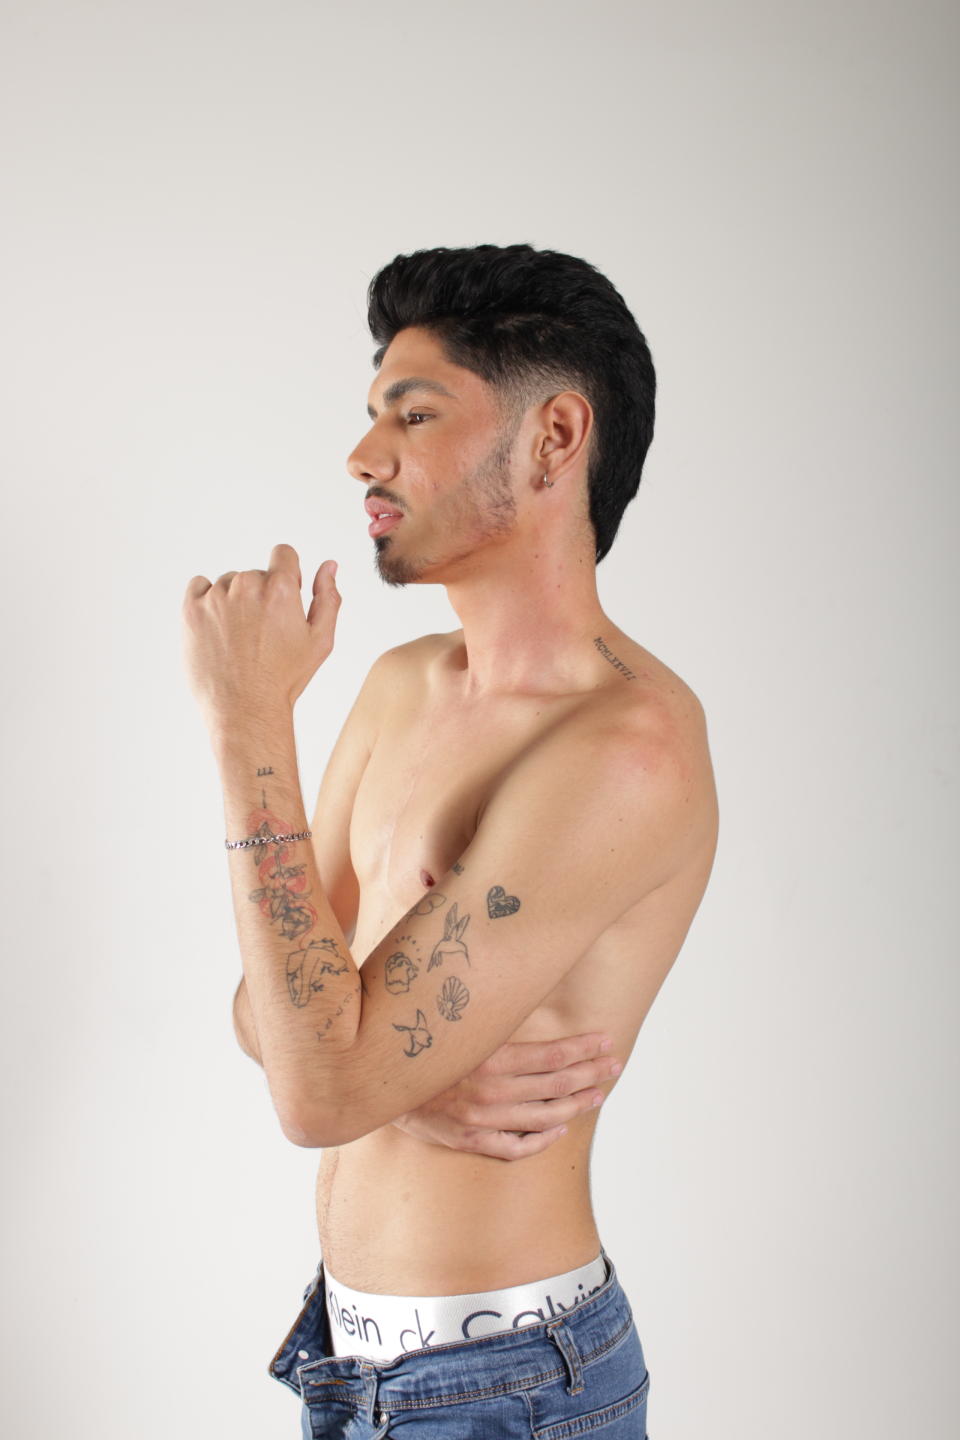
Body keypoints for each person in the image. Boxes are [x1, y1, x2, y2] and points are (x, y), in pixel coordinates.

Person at [182, 243, 719, 1437]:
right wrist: (403, 1080)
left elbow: (315, 1085)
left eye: (414, 415)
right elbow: (269, 1008)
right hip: (349, 1361)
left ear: (554, 438)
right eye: (374, 414)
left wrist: (248, 720)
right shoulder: (402, 684)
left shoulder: (628, 749)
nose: (363, 456)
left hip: (506, 1387)